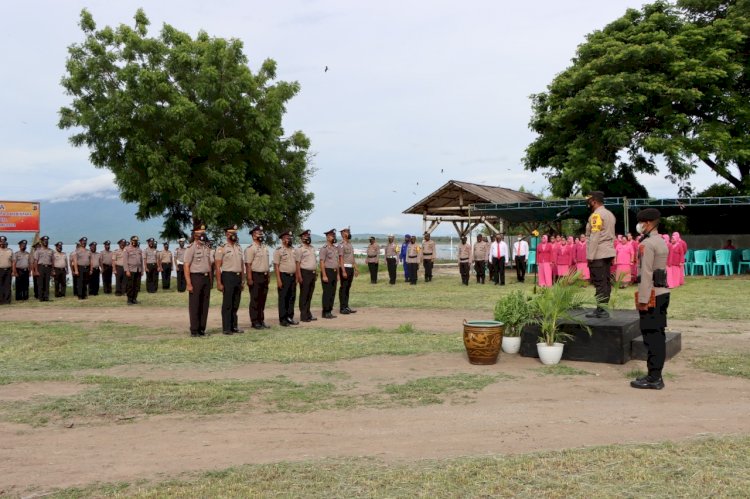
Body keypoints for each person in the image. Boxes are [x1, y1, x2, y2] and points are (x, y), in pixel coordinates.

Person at [630, 208, 670, 390]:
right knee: (658, 336)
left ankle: (654, 378)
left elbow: (646, 273)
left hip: (652, 293)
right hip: (663, 292)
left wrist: (643, 300)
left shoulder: (647, 244)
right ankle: (655, 374)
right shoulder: (660, 241)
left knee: (651, 337)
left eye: (641, 222)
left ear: (646, 223)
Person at [585, 191, 616, 318]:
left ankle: (601, 310)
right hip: (607, 251)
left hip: (598, 253)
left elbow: (594, 236)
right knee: (605, 281)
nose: (587, 203)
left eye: (589, 201)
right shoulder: (609, 214)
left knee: (599, 282)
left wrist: (590, 256)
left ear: (594, 201)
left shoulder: (596, 216)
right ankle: (602, 308)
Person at [215, 225, 245, 334]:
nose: (234, 235)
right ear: (227, 235)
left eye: (235, 233)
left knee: (236, 303)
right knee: (228, 303)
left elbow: (242, 265)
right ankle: (226, 328)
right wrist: (219, 282)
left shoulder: (239, 247)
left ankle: (234, 326)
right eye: (232, 233)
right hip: (227, 276)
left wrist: (242, 279)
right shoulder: (221, 248)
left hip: (237, 277)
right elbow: (218, 267)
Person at [184, 227, 213, 337]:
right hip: (196, 278)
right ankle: (194, 330)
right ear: (195, 235)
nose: (203, 235)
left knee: (204, 305)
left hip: (205, 278)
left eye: (204, 233)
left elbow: (209, 264)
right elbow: (186, 266)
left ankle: (202, 329)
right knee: (195, 304)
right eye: (201, 233)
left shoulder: (206, 247)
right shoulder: (191, 248)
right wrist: (188, 283)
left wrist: (210, 279)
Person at [245, 225, 271, 330]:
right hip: (255, 275)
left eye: (261, 233)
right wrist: (249, 278)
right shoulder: (251, 249)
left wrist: (268, 275)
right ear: (253, 236)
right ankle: (255, 321)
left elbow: (267, 263)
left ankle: (261, 320)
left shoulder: (264, 248)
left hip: (264, 275)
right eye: (258, 233)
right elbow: (248, 265)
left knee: (262, 299)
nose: (260, 235)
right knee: (255, 299)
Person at [274, 230, 298, 326]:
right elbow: (276, 266)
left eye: (291, 238)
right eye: (288, 238)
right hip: (284, 276)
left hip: (293, 276)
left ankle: (290, 317)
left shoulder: (293, 249)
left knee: (291, 297)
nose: (290, 239)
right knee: (283, 298)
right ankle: (283, 319)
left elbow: (296, 263)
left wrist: (296, 277)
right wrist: (279, 279)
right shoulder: (279, 250)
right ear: (283, 239)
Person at [296, 229, 317, 322]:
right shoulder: (300, 249)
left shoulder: (312, 248)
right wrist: (299, 276)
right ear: (301, 238)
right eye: (305, 236)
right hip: (304, 273)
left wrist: (315, 272)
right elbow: (297, 263)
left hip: (312, 273)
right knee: (304, 294)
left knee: (310, 294)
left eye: (308, 236)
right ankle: (303, 315)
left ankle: (308, 313)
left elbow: (313, 261)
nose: (308, 237)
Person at [319, 228, 339, 318]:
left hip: (334, 272)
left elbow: (336, 261)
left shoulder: (335, 248)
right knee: (327, 292)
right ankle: (325, 312)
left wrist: (338, 274)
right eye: (332, 236)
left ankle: (330, 310)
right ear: (327, 237)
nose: (333, 237)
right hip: (327, 272)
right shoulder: (324, 248)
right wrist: (324, 275)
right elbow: (322, 262)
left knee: (333, 292)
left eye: (334, 236)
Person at [338, 227, 358, 314]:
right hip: (344, 268)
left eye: (349, 231)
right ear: (343, 234)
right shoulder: (341, 245)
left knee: (348, 288)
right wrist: (343, 271)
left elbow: (352, 257)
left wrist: (356, 268)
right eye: (347, 232)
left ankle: (346, 306)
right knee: (343, 287)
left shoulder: (350, 244)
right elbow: (340, 259)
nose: (349, 233)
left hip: (350, 268)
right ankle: (342, 308)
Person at [124, 235, 144, 305]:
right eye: (134, 241)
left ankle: (134, 299)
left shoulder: (139, 249)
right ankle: (129, 300)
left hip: (138, 270)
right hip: (131, 270)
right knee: (130, 286)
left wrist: (142, 270)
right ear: (131, 241)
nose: (135, 242)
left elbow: (141, 261)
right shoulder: (127, 249)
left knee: (137, 286)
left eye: (136, 241)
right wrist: (127, 270)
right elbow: (125, 261)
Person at [0, 236, 11, 304]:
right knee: (0, 285)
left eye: (4, 241)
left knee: (7, 286)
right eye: (1, 241)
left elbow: (13, 262)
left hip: (8, 270)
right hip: (0, 270)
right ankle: (1, 300)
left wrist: (14, 271)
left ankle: (7, 300)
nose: (2, 242)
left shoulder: (10, 251)